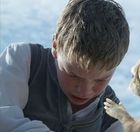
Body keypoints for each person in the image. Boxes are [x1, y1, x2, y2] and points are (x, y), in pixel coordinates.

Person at [0, 0, 129, 131]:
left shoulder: (113, 111)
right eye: (73, 75)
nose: (84, 91)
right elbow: (4, 119)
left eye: (100, 80)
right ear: (55, 46)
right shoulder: (24, 60)